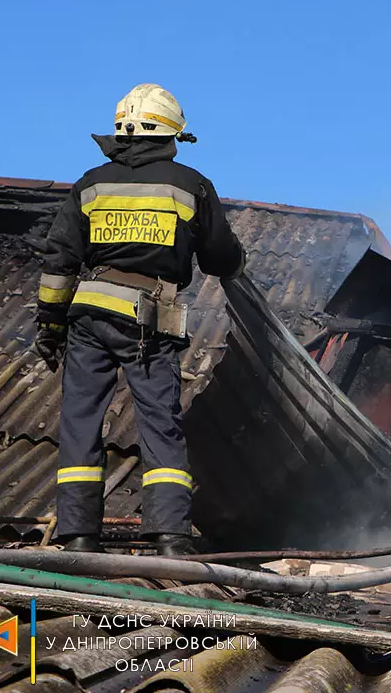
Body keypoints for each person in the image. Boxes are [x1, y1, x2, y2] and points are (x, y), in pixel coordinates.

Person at [34, 83, 246, 556]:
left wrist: (49, 324)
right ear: (171, 132)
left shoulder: (91, 183)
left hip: (87, 315)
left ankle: (78, 536)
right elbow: (219, 257)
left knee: (80, 421)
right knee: (158, 421)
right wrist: (237, 265)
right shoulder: (190, 185)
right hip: (148, 317)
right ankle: (169, 537)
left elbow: (59, 260)